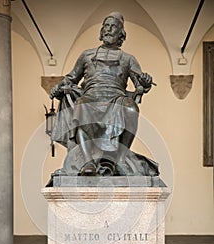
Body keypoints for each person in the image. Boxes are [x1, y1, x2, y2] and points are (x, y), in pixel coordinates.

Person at [50, 12, 158, 177]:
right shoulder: (87, 55)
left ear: (121, 34)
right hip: (91, 96)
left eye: (113, 27)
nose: (108, 30)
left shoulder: (128, 59)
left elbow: (140, 86)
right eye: (106, 26)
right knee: (82, 106)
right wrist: (58, 87)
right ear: (101, 31)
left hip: (117, 98)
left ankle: (118, 160)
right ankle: (88, 163)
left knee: (131, 109)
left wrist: (145, 82)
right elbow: (71, 78)